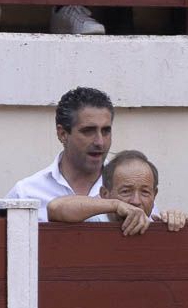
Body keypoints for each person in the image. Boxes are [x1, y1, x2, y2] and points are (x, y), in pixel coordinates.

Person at [6, 87, 114, 222]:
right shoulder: (25, 194)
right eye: (88, 131)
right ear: (62, 134)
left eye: (106, 131)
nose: (100, 142)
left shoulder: (133, 191)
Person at [46, 150, 188, 233]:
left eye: (145, 192)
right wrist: (115, 205)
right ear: (104, 194)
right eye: (126, 191)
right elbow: (54, 208)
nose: (136, 201)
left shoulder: (157, 223)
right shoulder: (93, 220)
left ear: (154, 195)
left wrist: (176, 221)